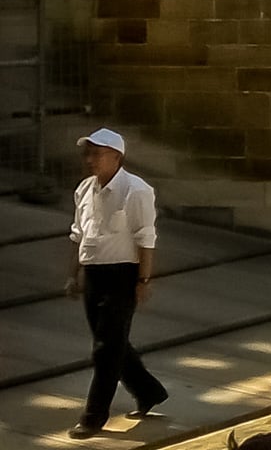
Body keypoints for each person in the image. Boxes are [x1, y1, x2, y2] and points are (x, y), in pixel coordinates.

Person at [66, 128, 167, 437]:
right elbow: (79, 235)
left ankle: (94, 415)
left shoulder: (136, 190)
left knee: (106, 348)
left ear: (116, 157)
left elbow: (146, 238)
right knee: (111, 341)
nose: (90, 160)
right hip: (94, 273)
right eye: (89, 153)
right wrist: (74, 273)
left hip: (123, 274)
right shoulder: (84, 189)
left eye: (97, 153)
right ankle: (148, 390)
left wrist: (143, 279)